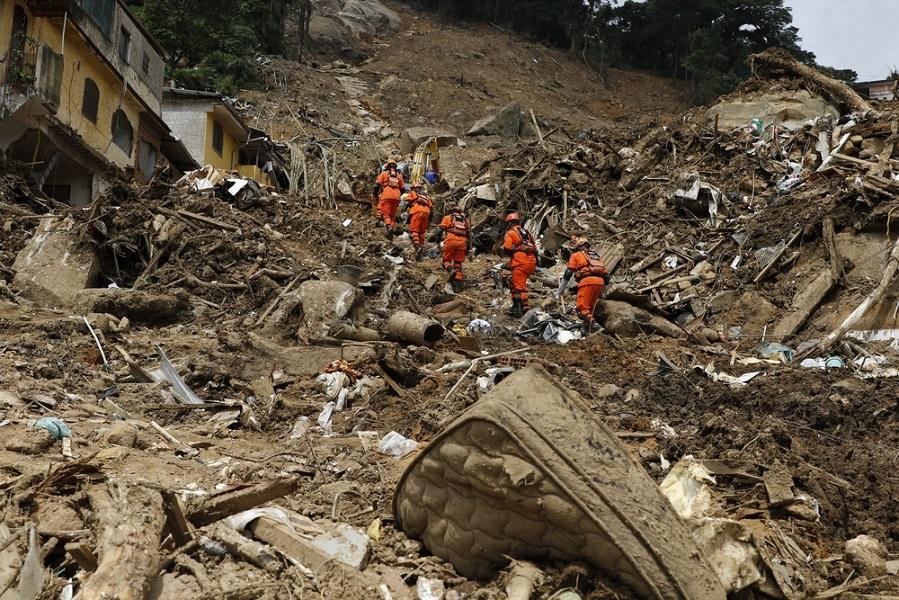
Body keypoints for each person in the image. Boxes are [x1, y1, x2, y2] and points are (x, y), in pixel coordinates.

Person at [555, 237, 609, 334]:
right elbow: (606, 276)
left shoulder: (576, 255)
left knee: (581, 310)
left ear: (578, 247)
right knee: (589, 310)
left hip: (587, 282)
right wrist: (603, 291)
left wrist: (559, 291)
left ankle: (597, 327)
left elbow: (568, 273)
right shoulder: (596, 257)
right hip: (600, 283)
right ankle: (587, 331)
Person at [501, 212, 537, 317]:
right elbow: (535, 248)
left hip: (520, 263)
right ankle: (516, 307)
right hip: (531, 262)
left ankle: (525, 310)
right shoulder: (527, 232)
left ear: (509, 223)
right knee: (512, 281)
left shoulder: (510, 233)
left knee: (520, 288)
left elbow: (507, 247)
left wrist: (512, 251)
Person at [437, 206, 471, 293]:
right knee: (458, 263)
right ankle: (457, 285)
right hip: (463, 241)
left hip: (451, 239)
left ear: (452, 211)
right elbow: (469, 235)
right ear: (460, 212)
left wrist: (437, 241)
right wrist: (468, 248)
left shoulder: (448, 217)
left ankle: (451, 270)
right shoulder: (465, 221)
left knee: (446, 261)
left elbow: (440, 230)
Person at [374, 161, 404, 235]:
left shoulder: (384, 173)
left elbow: (377, 185)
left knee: (386, 214)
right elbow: (403, 188)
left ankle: (388, 227)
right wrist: (398, 195)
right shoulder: (399, 176)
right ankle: (391, 232)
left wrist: (374, 194)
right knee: (392, 216)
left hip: (387, 194)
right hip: (397, 196)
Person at [407, 183, 432, 258]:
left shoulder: (412, 193)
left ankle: (417, 247)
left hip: (417, 211)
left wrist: (405, 210)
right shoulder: (426, 196)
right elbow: (431, 208)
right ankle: (421, 248)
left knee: (414, 230)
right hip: (427, 212)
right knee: (421, 232)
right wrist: (429, 220)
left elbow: (408, 202)